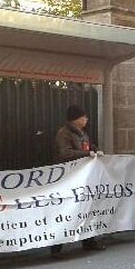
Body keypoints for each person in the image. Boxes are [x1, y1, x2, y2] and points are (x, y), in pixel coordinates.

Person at [52, 104, 105, 255]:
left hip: (82, 177)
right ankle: (56, 247)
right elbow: (65, 153)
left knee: (85, 210)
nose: (86, 119)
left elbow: (87, 147)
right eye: (84, 116)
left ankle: (89, 241)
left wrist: (94, 150)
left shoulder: (82, 134)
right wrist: (86, 154)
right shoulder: (64, 133)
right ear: (76, 119)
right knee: (65, 211)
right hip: (68, 178)